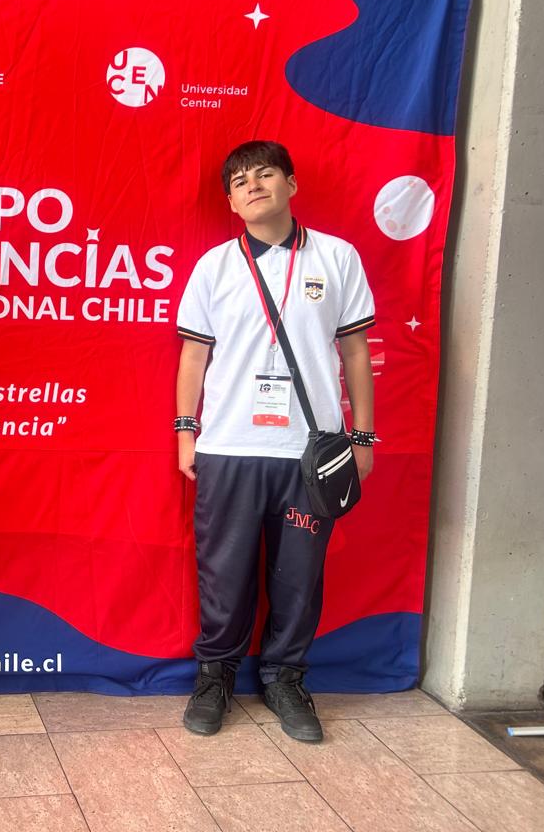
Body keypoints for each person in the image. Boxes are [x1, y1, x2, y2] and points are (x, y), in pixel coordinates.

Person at [174, 140, 375, 743]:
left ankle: (285, 678)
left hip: (310, 452)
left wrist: (363, 436)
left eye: (265, 174)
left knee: (298, 577)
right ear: (230, 202)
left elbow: (356, 352)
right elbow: (193, 357)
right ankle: (215, 676)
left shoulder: (337, 257)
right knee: (224, 572)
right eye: (239, 182)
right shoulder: (214, 266)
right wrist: (186, 431)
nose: (253, 186)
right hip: (229, 446)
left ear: (291, 183)